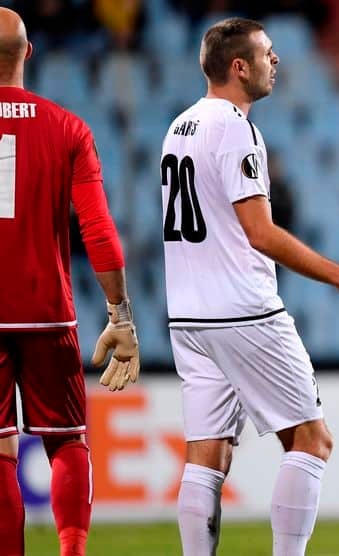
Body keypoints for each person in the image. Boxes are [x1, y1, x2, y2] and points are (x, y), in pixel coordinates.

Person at [161, 17, 339, 556]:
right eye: (268, 53)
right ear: (239, 66)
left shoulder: (179, 127)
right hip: (243, 308)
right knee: (312, 439)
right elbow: (259, 233)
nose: (276, 61)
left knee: (206, 456)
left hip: (189, 316)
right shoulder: (236, 128)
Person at [0, 7, 140, 556]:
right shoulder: (68, 128)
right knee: (66, 441)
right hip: (47, 313)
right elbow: (100, 231)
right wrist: (120, 316)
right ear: (28, 54)